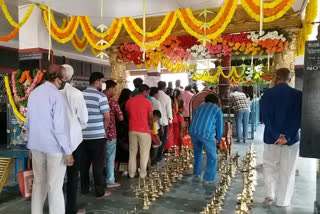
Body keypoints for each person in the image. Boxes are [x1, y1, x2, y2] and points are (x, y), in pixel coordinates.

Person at [26, 64, 74, 214]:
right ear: (58, 79)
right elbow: (59, 128)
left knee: (39, 184)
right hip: (54, 148)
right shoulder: (57, 96)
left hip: (36, 146)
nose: (64, 81)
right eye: (64, 79)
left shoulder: (34, 93)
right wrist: (68, 151)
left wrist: (30, 146)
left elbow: (28, 122)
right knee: (54, 187)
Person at [260, 68, 302, 207]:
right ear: (290, 78)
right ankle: (282, 201)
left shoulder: (267, 94)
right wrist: (287, 136)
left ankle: (270, 195)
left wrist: (276, 135)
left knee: (270, 168)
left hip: (271, 139)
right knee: (288, 170)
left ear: (276, 78)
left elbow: (265, 117)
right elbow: (299, 119)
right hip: (291, 141)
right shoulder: (298, 95)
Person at [61, 64, 88, 214]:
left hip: (54, 142)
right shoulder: (76, 93)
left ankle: (56, 208)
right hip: (73, 141)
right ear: (71, 77)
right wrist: (76, 127)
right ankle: (70, 209)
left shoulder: (50, 93)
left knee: (56, 178)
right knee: (72, 176)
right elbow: (84, 119)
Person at [80, 72, 110, 198]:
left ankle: (85, 188)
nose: (102, 84)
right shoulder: (101, 96)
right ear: (97, 81)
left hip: (82, 136)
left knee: (84, 164)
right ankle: (99, 191)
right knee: (98, 165)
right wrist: (103, 131)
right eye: (102, 82)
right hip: (97, 137)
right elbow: (107, 117)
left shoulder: (80, 95)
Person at [189, 94, 223, 183]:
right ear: (216, 102)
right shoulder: (217, 110)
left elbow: (194, 120)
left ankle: (196, 173)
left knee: (197, 153)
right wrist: (218, 139)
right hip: (206, 133)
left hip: (193, 131)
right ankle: (208, 178)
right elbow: (219, 126)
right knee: (212, 156)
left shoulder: (199, 108)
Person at [126, 84, 153, 178]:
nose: (148, 94)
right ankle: (142, 174)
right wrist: (151, 128)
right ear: (145, 91)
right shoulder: (147, 102)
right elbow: (150, 118)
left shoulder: (129, 102)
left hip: (132, 129)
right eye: (147, 92)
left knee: (132, 153)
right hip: (144, 130)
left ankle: (131, 173)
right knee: (144, 153)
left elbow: (128, 114)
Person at [103, 80, 123, 188]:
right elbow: (120, 118)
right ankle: (110, 180)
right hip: (110, 134)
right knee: (110, 158)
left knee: (99, 158)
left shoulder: (98, 99)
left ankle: (98, 179)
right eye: (114, 89)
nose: (114, 91)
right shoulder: (112, 103)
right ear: (110, 88)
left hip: (97, 134)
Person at [116, 89, 132, 175]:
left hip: (118, 130)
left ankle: (119, 168)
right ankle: (124, 169)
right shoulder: (127, 104)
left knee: (119, 150)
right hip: (125, 130)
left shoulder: (118, 103)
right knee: (126, 150)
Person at [156, 81, 173, 162]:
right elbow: (169, 111)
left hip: (154, 122)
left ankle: (155, 157)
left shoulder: (154, 95)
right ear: (165, 88)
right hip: (164, 121)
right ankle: (159, 156)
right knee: (162, 139)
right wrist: (170, 121)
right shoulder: (167, 97)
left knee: (155, 139)